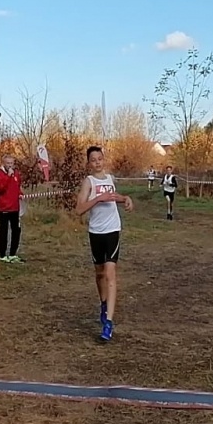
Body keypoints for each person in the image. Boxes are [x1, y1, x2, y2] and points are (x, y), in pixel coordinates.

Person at [76, 145, 134, 342]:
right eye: (93, 160)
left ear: (104, 160)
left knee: (110, 273)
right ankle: (103, 303)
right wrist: (98, 198)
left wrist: (125, 199)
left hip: (112, 231)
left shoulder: (110, 179)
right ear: (88, 164)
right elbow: (79, 209)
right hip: (96, 232)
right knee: (99, 273)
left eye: (100, 159)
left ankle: (108, 323)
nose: (97, 162)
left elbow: (113, 197)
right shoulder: (88, 182)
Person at [0, 153, 22, 263]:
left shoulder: (16, 174)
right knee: (4, 231)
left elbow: (17, 186)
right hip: (4, 208)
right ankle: (2, 254)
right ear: (3, 163)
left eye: (11, 163)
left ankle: (13, 254)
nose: (10, 166)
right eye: (8, 163)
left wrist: (20, 193)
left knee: (16, 230)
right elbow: (0, 188)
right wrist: (8, 177)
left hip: (15, 207)